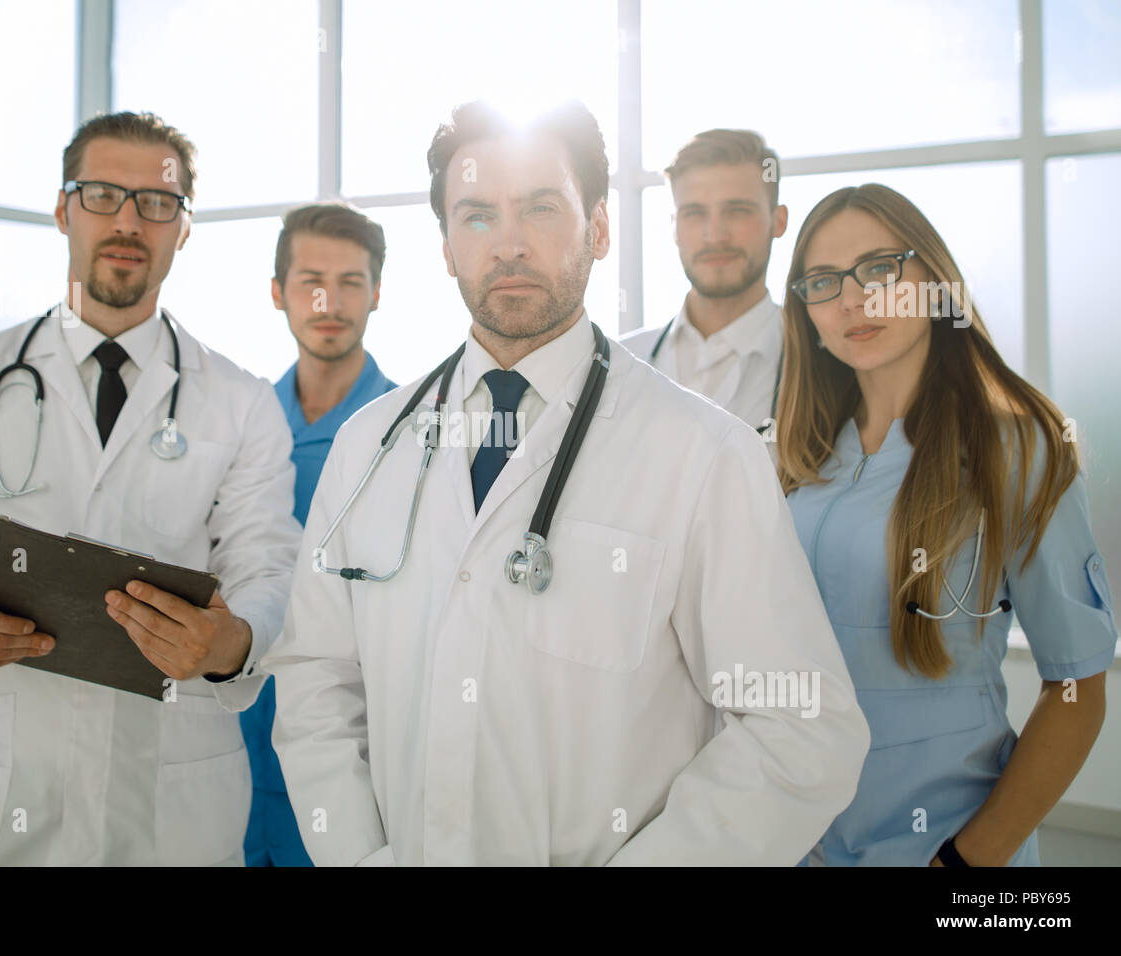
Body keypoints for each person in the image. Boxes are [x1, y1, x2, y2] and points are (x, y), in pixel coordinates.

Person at [261, 100, 870, 866]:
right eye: (476, 215)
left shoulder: (702, 452)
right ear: (446, 245)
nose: (508, 244)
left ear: (601, 228)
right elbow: (316, 682)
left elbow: (804, 729)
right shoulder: (367, 446)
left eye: (541, 209)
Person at [0, 111, 302, 866]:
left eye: (157, 203)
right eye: (100, 195)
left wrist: (233, 639)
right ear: (62, 210)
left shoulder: (242, 402)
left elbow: (271, 571)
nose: (128, 221)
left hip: (170, 799)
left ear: (184, 229)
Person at [779, 183, 1117, 866]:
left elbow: (1075, 692)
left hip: (940, 850)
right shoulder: (799, 452)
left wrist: (964, 862)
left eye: (878, 269)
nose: (853, 300)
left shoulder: (1017, 452)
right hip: (797, 842)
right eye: (822, 282)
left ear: (932, 281)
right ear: (806, 312)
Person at [240, 202, 396, 867]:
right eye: (310, 281)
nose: (329, 301)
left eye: (351, 282)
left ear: (377, 293)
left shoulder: (411, 435)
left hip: (355, 758)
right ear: (277, 292)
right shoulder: (242, 430)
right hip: (235, 745)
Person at [622, 129, 787, 437]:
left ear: (778, 221)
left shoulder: (820, 365)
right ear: (674, 227)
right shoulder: (618, 364)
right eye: (694, 213)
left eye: (737, 211)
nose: (715, 235)